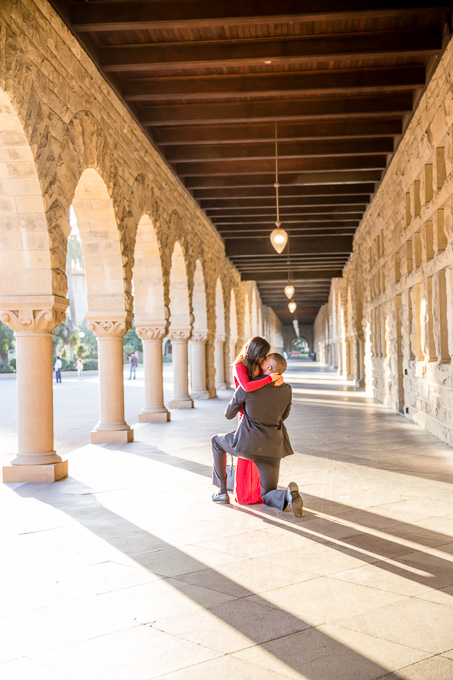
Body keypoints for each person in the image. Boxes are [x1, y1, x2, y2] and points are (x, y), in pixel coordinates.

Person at [211, 352, 303, 517]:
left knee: (216, 442)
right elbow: (284, 416)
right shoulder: (286, 389)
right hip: (273, 449)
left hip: (247, 445)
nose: (261, 361)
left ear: (269, 367)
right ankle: (287, 494)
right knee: (267, 493)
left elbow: (229, 414)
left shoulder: (248, 386)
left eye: (264, 360)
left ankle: (222, 492)